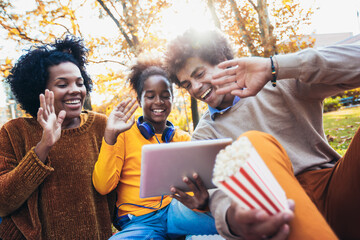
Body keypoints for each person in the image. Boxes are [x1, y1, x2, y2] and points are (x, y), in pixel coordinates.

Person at [165, 29, 360, 240]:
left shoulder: (278, 79)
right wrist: (230, 216)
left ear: (223, 61)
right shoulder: (205, 133)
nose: (195, 88)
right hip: (276, 210)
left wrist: (274, 67)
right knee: (251, 145)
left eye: (200, 74)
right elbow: (217, 192)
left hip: (335, 190)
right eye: (187, 85)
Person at [0, 36, 114, 239]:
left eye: (80, 83)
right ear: (39, 91)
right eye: (62, 85)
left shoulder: (102, 126)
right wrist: (43, 146)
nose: (75, 91)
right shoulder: (14, 131)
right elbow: (2, 202)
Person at [92, 58, 218, 239]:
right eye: (150, 96)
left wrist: (203, 202)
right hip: (139, 221)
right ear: (139, 100)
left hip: (177, 211)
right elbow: (103, 186)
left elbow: (196, 187)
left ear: (172, 99)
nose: (158, 102)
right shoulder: (123, 135)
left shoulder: (184, 138)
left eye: (165, 96)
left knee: (230, 220)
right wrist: (110, 136)